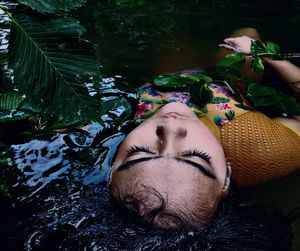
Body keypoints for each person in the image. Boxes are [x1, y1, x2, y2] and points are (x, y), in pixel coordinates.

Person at [109, 28, 300, 230]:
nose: (172, 127)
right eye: (195, 155)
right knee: (248, 34)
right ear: (226, 175)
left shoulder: (99, 129)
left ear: (111, 169)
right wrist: (267, 56)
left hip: (163, 77)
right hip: (228, 79)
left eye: (140, 151)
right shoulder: (262, 150)